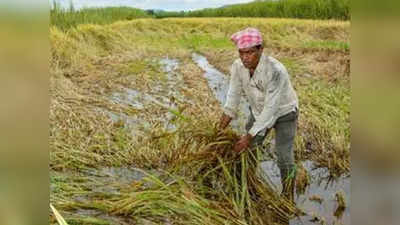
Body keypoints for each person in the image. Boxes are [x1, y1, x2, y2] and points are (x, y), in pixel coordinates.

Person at [219, 27, 299, 202]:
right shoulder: (238, 67)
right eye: (241, 53)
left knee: (283, 156)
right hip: (258, 111)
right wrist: (218, 130)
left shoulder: (276, 70)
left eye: (250, 53)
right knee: (250, 151)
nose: (245, 57)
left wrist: (248, 136)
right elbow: (232, 98)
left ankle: (287, 195)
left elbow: (271, 109)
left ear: (261, 49)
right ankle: (248, 184)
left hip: (284, 112)